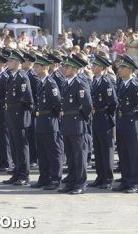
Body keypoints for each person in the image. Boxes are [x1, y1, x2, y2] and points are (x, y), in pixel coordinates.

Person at [113, 55, 138, 193]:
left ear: (130, 69)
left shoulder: (134, 84)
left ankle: (135, 182)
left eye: (122, 67)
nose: (119, 69)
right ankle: (126, 180)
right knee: (124, 153)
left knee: (133, 154)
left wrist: (134, 117)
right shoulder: (122, 82)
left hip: (131, 122)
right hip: (122, 122)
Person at [58, 56, 92, 195]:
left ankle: (80, 183)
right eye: (64, 67)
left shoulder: (80, 83)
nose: (64, 69)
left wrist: (80, 119)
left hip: (77, 123)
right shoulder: (67, 83)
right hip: (67, 123)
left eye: (67, 67)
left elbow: (87, 106)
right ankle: (71, 182)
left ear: (74, 69)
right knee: (71, 156)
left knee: (79, 156)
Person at [30, 54, 63, 190]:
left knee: (53, 151)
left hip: (49, 120)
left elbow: (57, 104)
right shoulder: (41, 82)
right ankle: (44, 178)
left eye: (38, 66)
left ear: (45, 67)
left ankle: (55, 179)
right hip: (40, 120)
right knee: (42, 152)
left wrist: (52, 117)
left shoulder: (51, 83)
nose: (35, 69)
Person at [2, 49, 33, 186]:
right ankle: (16, 172)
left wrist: (19, 113)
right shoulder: (12, 76)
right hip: (11, 117)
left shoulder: (22, 77)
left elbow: (28, 100)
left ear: (17, 62)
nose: (8, 63)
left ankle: (24, 175)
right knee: (14, 148)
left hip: (19, 118)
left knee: (21, 147)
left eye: (11, 61)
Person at [88, 54, 118, 189]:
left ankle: (108, 178)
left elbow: (113, 103)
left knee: (106, 150)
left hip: (104, 118)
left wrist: (105, 113)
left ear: (101, 67)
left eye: (95, 65)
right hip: (96, 117)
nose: (92, 67)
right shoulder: (95, 80)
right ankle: (100, 176)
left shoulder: (106, 82)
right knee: (98, 149)